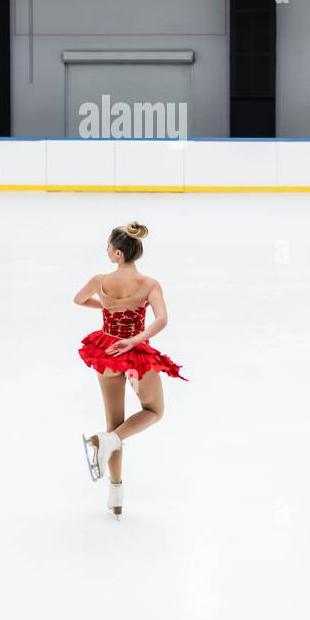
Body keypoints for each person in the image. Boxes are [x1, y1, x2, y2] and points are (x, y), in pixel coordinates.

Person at [74, 221, 187, 519]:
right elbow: (161, 319)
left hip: (108, 352)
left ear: (119, 254)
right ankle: (108, 443)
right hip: (135, 354)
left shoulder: (100, 280)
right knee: (153, 411)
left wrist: (108, 309)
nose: (107, 251)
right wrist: (135, 340)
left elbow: (79, 299)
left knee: (114, 424)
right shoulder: (149, 284)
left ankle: (116, 493)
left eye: (109, 247)